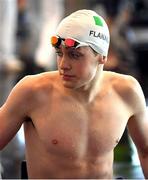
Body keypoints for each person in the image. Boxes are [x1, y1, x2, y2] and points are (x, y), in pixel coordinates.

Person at [0, 9, 148, 179]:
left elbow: (145, 151)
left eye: (74, 55)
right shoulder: (32, 92)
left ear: (102, 56)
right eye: (59, 54)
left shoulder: (126, 92)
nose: (63, 64)